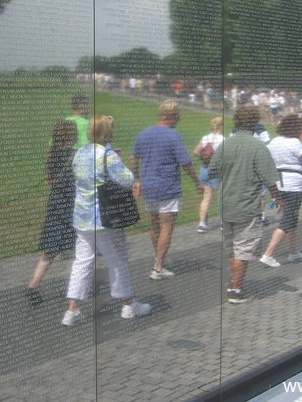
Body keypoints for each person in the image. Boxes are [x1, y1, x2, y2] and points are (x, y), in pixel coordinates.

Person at [62, 115, 150, 326]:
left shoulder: (80, 153)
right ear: (107, 132)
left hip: (82, 216)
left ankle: (72, 309)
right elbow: (126, 179)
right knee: (117, 259)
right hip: (104, 217)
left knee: (81, 262)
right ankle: (128, 304)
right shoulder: (107, 155)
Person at [207, 105, 281, 303]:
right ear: (254, 122)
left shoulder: (226, 144)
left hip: (226, 204)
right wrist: (277, 197)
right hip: (246, 205)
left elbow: (212, 171)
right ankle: (236, 289)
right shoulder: (258, 146)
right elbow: (270, 178)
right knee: (244, 248)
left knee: (233, 247)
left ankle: (234, 282)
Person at [130, 100, 203, 280]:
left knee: (155, 225)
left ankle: (159, 260)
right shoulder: (173, 135)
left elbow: (133, 157)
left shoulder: (144, 133)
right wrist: (197, 182)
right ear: (170, 116)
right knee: (166, 227)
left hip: (149, 187)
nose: (178, 120)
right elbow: (185, 162)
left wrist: (137, 179)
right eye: (177, 116)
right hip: (167, 187)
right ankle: (158, 266)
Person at [27, 121, 78, 305]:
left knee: (50, 250)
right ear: (72, 136)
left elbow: (49, 181)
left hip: (55, 203)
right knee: (80, 249)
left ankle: (34, 283)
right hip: (71, 205)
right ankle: (76, 289)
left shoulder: (51, 155)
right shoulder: (74, 156)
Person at [260, 114, 302, 267]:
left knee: (292, 217)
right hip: (293, 184)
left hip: (278, 183)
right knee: (288, 219)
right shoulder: (295, 142)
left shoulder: (274, 142)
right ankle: (268, 254)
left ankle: (293, 251)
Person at [193, 116, 224, 233]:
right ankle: (223, 223)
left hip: (204, 169)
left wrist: (204, 157)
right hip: (217, 170)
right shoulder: (222, 139)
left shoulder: (205, 138)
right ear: (221, 126)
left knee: (206, 197)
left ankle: (201, 224)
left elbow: (196, 151)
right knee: (222, 196)